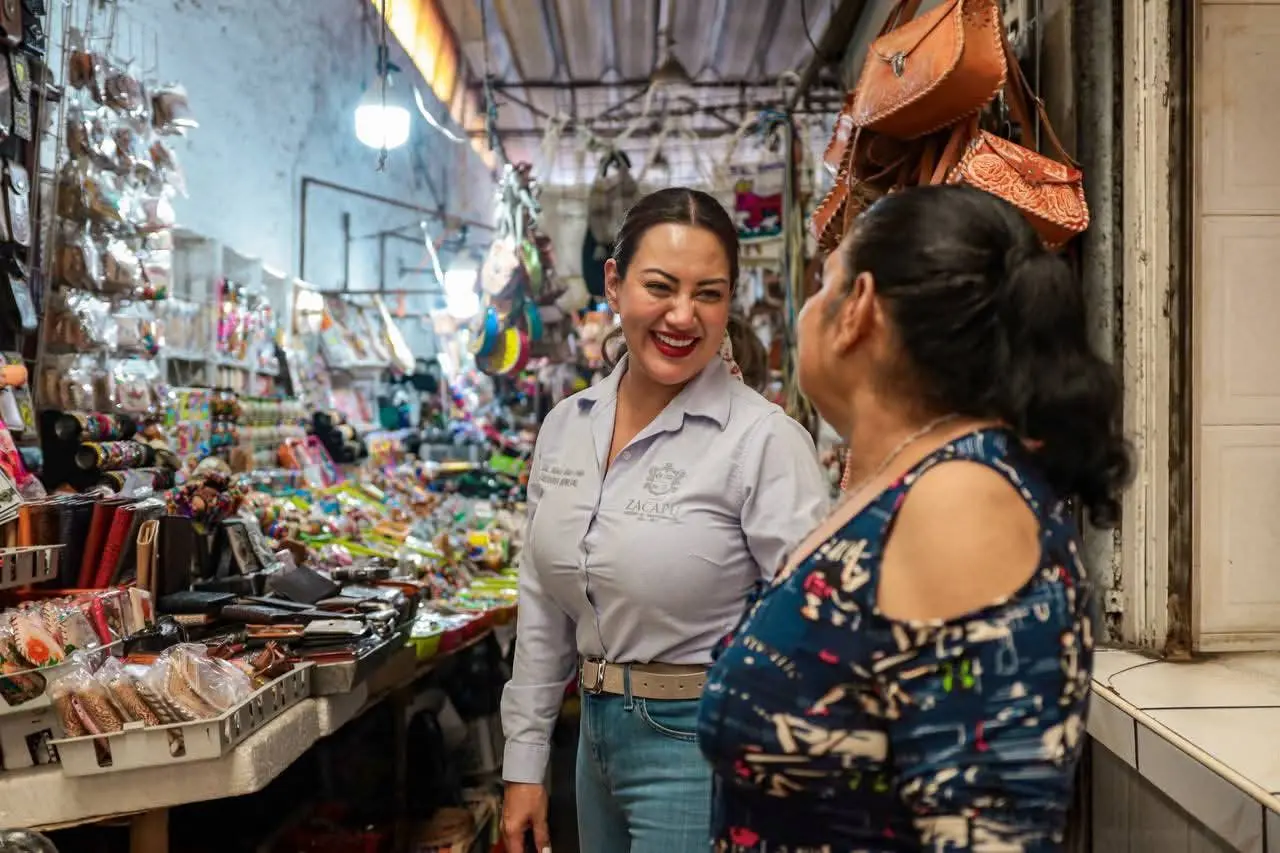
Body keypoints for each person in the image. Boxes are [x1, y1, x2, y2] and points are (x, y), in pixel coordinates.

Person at [697, 184, 1131, 852]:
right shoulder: (910, 484)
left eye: (824, 282)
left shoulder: (961, 502)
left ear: (858, 308)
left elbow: (983, 832)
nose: (807, 307)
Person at [500, 187, 831, 853]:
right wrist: (524, 762)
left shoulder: (762, 440)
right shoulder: (567, 426)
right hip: (592, 741)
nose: (683, 315)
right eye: (661, 286)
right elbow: (542, 605)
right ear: (615, 284)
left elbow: (814, 633)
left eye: (708, 293)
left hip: (700, 743)